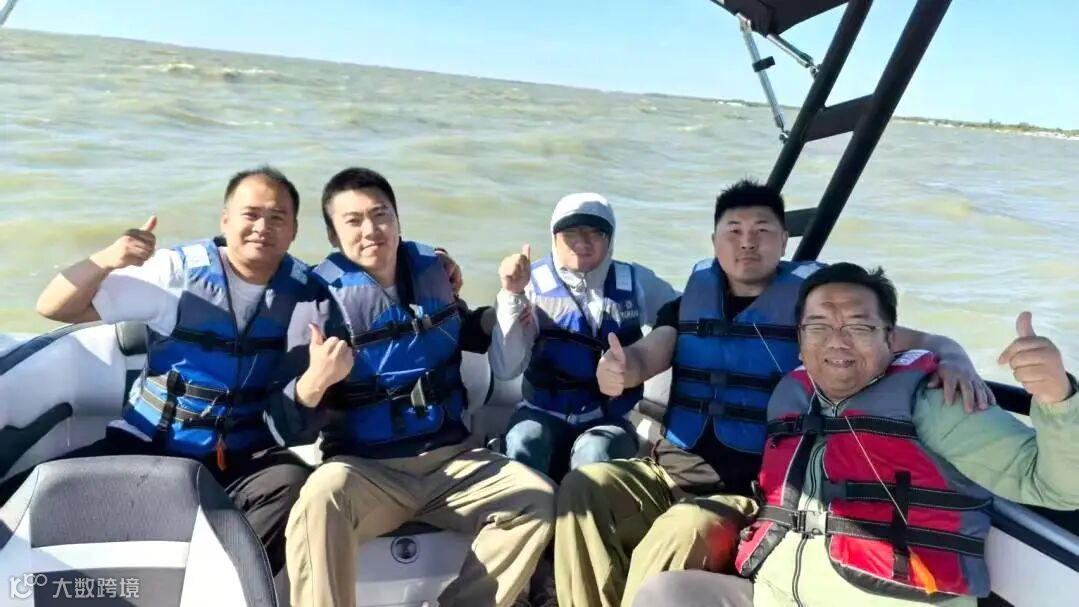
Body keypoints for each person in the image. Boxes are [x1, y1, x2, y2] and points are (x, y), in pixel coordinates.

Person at [554, 180, 993, 607]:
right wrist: (621, 368)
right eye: (734, 231)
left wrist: (955, 358)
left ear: (783, 241)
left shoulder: (816, 311)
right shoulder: (690, 301)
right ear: (715, 241)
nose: (747, 242)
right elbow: (648, 354)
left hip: (747, 493)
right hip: (666, 470)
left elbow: (919, 340)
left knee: (684, 526)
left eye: (762, 230)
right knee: (584, 487)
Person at [632, 262, 1079, 607]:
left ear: (891, 338)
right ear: (800, 338)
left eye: (859, 327)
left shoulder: (936, 401)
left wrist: (1057, 397)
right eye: (819, 326)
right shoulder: (791, 395)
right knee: (668, 594)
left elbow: (1054, 485)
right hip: (776, 594)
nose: (837, 341)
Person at [2, 166, 313, 576]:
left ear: (294, 230)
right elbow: (55, 307)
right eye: (251, 214)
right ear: (225, 220)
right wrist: (107, 260)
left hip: (241, 457)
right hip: (150, 445)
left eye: (276, 217)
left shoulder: (308, 293)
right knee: (30, 497)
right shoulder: (176, 273)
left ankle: (222, 587)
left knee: (296, 484)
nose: (262, 227)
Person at [279, 167, 556, 607]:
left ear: (397, 220)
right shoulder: (317, 303)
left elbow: (464, 332)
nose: (371, 230)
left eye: (380, 215)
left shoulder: (433, 273)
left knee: (537, 499)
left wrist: (505, 305)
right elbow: (292, 425)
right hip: (367, 470)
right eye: (353, 221)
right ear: (332, 235)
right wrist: (315, 382)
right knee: (320, 498)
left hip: (453, 460)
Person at [490, 192, 679, 478]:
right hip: (540, 412)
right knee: (523, 442)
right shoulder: (529, 284)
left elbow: (683, 312)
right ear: (554, 238)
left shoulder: (637, 282)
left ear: (610, 238)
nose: (582, 241)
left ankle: (583, 504)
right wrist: (511, 296)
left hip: (608, 419)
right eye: (570, 233)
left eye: (595, 232)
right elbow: (506, 369)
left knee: (595, 453)